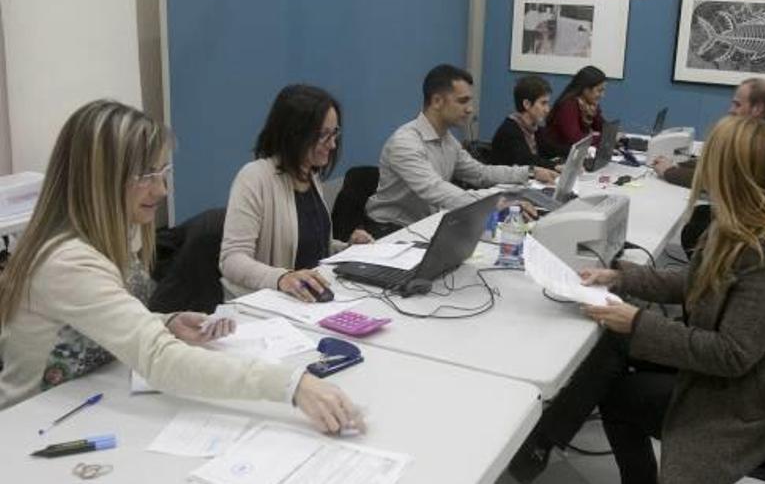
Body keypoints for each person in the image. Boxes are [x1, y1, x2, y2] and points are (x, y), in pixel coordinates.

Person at [0, 100, 362, 435]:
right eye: (146, 175)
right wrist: (292, 385)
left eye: (162, 172)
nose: (161, 190)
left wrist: (164, 322)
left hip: (93, 400)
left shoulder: (106, 237)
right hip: (32, 429)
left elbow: (96, 320)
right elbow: (158, 358)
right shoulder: (67, 260)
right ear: (100, 178)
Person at [583, 115, 765, 483]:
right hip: (742, 376)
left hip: (752, 400)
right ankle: (541, 447)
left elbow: (732, 354)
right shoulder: (744, 221)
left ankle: (537, 448)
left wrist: (637, 322)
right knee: (616, 386)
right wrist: (622, 275)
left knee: (621, 380)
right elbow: (701, 282)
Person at [364, 64, 556, 237]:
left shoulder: (447, 140)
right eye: (462, 101)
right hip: (388, 232)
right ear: (437, 101)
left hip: (421, 226)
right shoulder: (405, 142)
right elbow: (436, 190)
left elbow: (480, 173)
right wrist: (498, 204)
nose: (470, 109)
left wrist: (530, 172)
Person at [220, 84, 373, 301]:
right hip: (268, 307)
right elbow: (231, 260)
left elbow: (311, 248)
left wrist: (347, 248)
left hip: (310, 300)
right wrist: (281, 278)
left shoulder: (310, 175)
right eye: (324, 135)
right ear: (295, 135)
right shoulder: (254, 178)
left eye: (335, 133)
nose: (332, 144)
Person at [653, 77, 765, 188]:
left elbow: (719, 182)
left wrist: (669, 171)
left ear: (757, 108)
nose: (731, 110)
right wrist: (680, 164)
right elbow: (718, 167)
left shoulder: (762, 142)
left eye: (737, 105)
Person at [486, 75, 562, 169]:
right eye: (543, 103)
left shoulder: (535, 128)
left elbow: (551, 149)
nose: (547, 109)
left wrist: (574, 154)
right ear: (527, 104)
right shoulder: (510, 131)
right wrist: (555, 167)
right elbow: (526, 161)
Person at [543, 65, 606, 151]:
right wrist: (603, 139)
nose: (602, 95)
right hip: (558, 155)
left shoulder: (590, 106)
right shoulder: (568, 106)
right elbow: (576, 139)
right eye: (599, 90)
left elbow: (602, 127)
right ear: (586, 90)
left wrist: (611, 135)